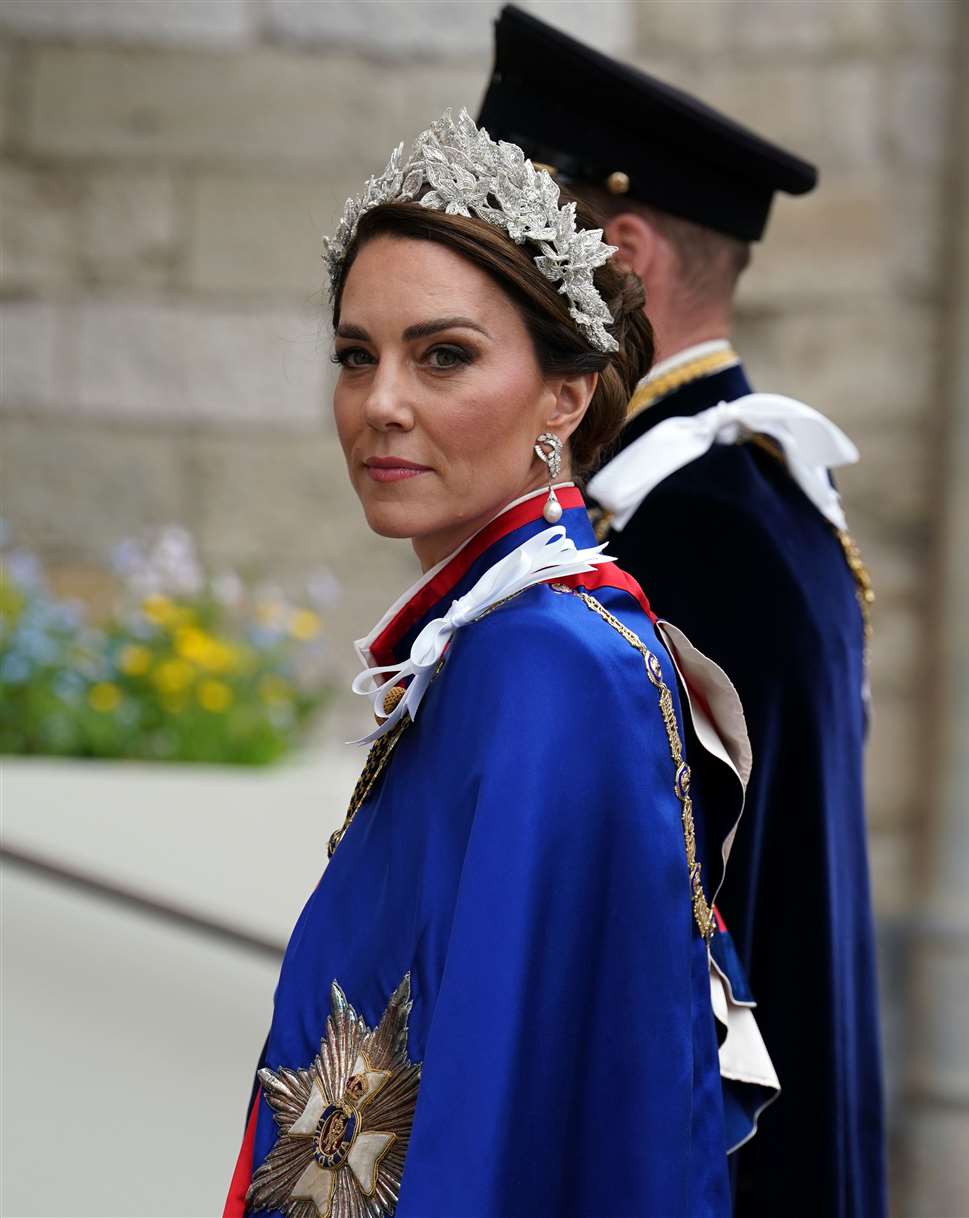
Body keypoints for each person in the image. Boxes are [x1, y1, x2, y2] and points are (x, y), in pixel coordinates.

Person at [223, 108, 779, 1218]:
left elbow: (507, 1103)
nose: (380, 404)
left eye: (444, 356)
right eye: (354, 356)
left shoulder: (554, 666)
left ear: (565, 398)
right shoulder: (494, 640)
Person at [479, 10, 887, 1218]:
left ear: (621, 253)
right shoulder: (729, 497)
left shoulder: (688, 529)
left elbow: (653, 947)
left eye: (508, 248)